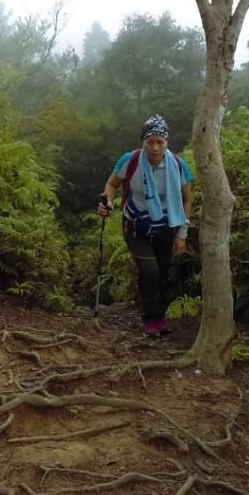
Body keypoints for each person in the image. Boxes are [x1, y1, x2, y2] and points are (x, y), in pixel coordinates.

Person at [97, 114, 193, 337]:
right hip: (136, 225)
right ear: (143, 142)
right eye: (150, 142)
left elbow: (187, 199)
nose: (155, 148)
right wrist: (107, 203)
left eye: (160, 142)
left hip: (167, 226)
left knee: (163, 273)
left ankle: (159, 317)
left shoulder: (178, 165)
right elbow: (112, 185)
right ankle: (150, 319)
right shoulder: (130, 161)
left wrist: (182, 234)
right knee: (149, 271)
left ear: (167, 142)